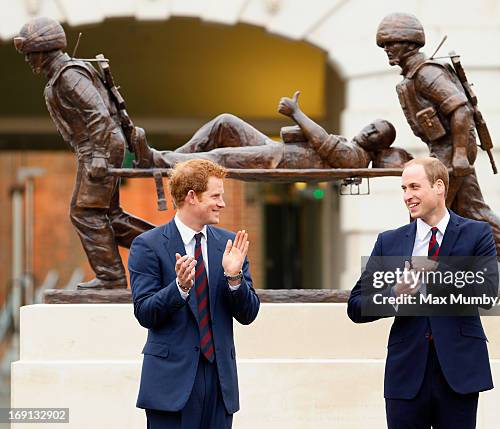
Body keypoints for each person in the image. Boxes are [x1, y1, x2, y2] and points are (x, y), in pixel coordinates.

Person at [376, 12, 500, 289]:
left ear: (409, 44)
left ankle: (419, 276)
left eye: (392, 43)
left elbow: (461, 109)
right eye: (385, 45)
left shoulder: (427, 73)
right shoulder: (414, 76)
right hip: (443, 150)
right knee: (470, 210)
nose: (387, 50)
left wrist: (461, 155)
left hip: (451, 151)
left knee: (426, 209)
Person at [347, 157, 499, 429]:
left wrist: (435, 270)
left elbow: (486, 292)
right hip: (406, 372)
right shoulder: (389, 241)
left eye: (414, 187)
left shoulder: (477, 234)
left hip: (459, 371)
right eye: (404, 189)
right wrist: (394, 294)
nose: (407, 196)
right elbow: (356, 306)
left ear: (439, 187)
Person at [14, 17, 154, 289]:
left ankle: (111, 278)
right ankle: (172, 247)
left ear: (45, 49)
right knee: (109, 216)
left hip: (98, 148)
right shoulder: (62, 75)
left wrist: (99, 157)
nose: (29, 59)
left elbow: (98, 114)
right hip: (97, 147)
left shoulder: (68, 75)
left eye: (31, 53)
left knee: (85, 213)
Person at [128, 159, 260, 428]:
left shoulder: (228, 244)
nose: (222, 203)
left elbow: (249, 314)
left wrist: (234, 277)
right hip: (170, 386)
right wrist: (179, 288)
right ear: (191, 197)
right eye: (215, 196)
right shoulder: (148, 245)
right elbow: (145, 312)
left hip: (220, 383)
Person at [131, 92, 411, 169]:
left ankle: (156, 159)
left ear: (378, 147)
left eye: (375, 133)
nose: (368, 131)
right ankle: (172, 161)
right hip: (277, 148)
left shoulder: (356, 157)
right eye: (371, 125)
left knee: (222, 157)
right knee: (225, 121)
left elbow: (323, 143)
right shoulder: (352, 146)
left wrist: (297, 113)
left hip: (278, 159)